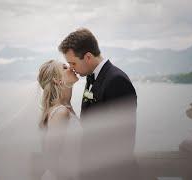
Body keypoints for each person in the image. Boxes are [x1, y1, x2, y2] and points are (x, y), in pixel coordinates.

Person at [58, 28, 139, 180]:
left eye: (73, 63)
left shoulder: (116, 81)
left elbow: (122, 142)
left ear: (88, 57)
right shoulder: (91, 78)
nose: (71, 68)